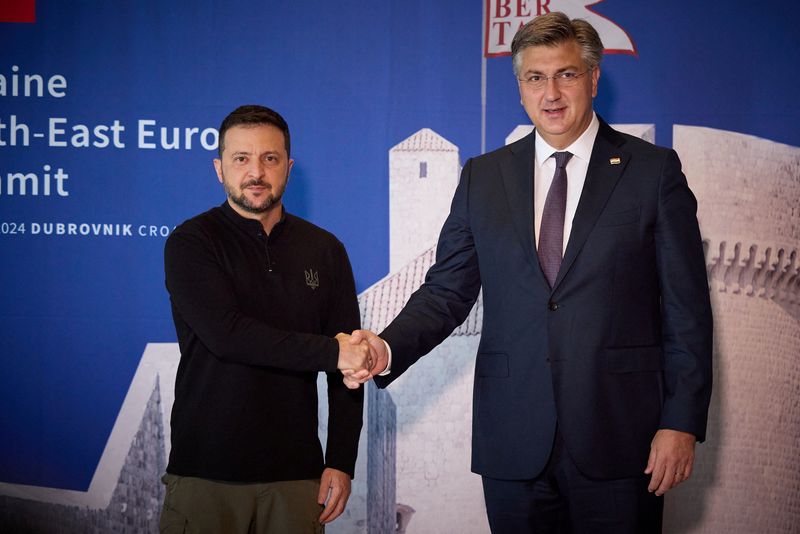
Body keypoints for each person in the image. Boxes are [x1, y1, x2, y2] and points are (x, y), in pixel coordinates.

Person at [343, 12, 713, 534]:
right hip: (514, 443)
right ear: (519, 88)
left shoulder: (652, 172)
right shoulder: (483, 177)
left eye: (565, 74)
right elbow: (446, 291)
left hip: (621, 439)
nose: (552, 92)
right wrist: (386, 347)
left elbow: (687, 312)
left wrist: (680, 422)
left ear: (593, 77)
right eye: (535, 78)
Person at [161, 105, 370, 533]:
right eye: (241, 159)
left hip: (297, 477)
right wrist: (334, 352)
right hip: (206, 472)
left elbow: (348, 370)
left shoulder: (325, 250)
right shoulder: (192, 242)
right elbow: (228, 336)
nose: (255, 172)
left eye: (269, 158)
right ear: (219, 168)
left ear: (288, 167)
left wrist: (341, 461)